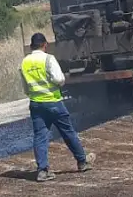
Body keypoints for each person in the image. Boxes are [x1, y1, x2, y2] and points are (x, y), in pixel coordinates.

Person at [20, 33, 94, 182]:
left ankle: (42, 171)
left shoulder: (25, 62)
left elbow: (26, 88)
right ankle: (82, 162)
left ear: (31, 46)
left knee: (40, 136)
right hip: (53, 102)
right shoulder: (48, 59)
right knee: (68, 132)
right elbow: (59, 79)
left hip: (36, 104)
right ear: (45, 45)